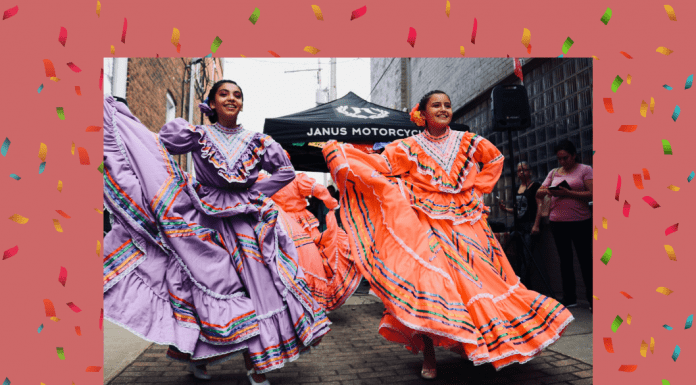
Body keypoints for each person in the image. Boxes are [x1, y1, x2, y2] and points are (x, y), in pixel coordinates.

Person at [322, 90, 574, 380]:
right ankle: (429, 357)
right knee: (431, 286)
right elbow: (382, 167)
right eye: (436, 105)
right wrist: (345, 154)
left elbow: (494, 159)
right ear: (423, 114)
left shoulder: (468, 141)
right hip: (427, 224)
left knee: (480, 283)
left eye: (447, 105)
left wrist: (477, 189)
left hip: (468, 224)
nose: (444, 109)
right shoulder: (407, 147)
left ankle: (480, 342)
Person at [102, 80, 329, 385]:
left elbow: (285, 172)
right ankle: (199, 358)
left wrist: (252, 192)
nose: (231, 98)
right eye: (224, 94)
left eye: (237, 95)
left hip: (245, 224)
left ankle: (258, 366)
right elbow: (158, 147)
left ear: (242, 104)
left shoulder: (258, 140)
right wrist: (125, 127)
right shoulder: (198, 134)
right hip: (203, 222)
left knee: (258, 290)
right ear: (212, 104)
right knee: (205, 289)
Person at [260, 169, 361, 311]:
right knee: (313, 258)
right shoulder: (296, 179)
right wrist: (331, 202)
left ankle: (290, 297)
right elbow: (319, 190)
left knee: (283, 260)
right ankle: (310, 297)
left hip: (280, 222)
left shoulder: (266, 180)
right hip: (300, 223)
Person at [536, 140, 593, 309]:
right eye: (559, 159)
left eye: (565, 158)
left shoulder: (585, 169)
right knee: (565, 260)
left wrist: (568, 193)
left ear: (574, 155)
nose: (562, 162)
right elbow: (539, 191)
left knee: (585, 260)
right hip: (557, 222)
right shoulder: (554, 172)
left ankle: (592, 299)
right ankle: (570, 298)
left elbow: (592, 194)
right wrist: (550, 190)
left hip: (580, 221)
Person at [498, 161, 543, 286]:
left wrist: (536, 224)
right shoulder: (517, 188)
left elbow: (540, 206)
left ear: (530, 171)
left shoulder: (535, 186)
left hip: (529, 225)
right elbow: (518, 210)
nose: (521, 172)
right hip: (518, 226)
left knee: (527, 257)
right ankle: (516, 283)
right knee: (515, 255)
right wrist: (505, 209)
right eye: (518, 170)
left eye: (524, 169)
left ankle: (525, 284)